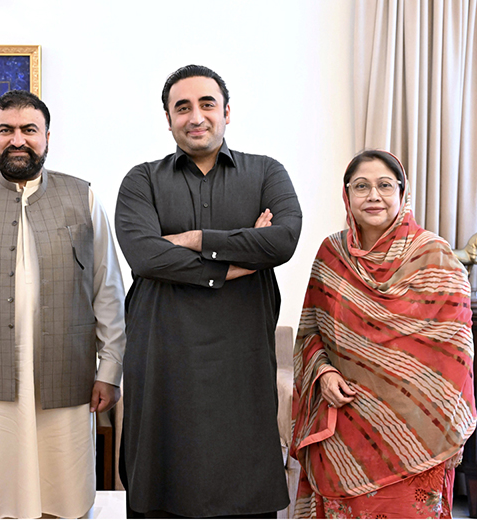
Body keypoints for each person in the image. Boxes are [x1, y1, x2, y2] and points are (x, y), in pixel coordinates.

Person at [0, 89, 126, 519]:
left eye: (28, 130)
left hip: (66, 376)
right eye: (6, 130)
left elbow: (107, 290)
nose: (18, 140)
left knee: (64, 496)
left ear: (47, 137)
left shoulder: (84, 198)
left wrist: (109, 371)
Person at [115, 64, 302, 518]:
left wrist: (196, 238)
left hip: (241, 352)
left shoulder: (266, 173)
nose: (195, 116)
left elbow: (282, 241)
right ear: (168, 118)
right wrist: (239, 258)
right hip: (163, 352)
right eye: (182, 107)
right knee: (160, 478)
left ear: (227, 112)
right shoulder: (142, 180)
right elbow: (145, 256)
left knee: (244, 477)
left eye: (206, 104)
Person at [290, 150, 476, 518]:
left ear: (402, 194)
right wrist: (323, 373)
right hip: (346, 421)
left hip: (418, 427)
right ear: (347, 195)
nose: (373, 195)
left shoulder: (435, 256)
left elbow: (456, 352)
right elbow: (311, 331)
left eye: (384, 185)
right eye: (361, 186)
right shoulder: (332, 253)